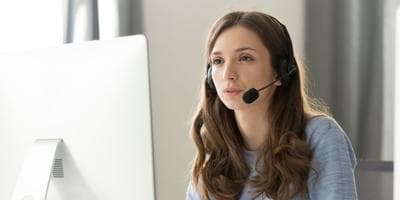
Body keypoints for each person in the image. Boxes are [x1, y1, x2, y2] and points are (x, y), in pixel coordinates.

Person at [186, 11, 357, 200]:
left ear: (280, 72)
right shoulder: (213, 162)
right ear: (209, 76)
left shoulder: (320, 136)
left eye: (245, 58)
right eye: (218, 61)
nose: (228, 74)